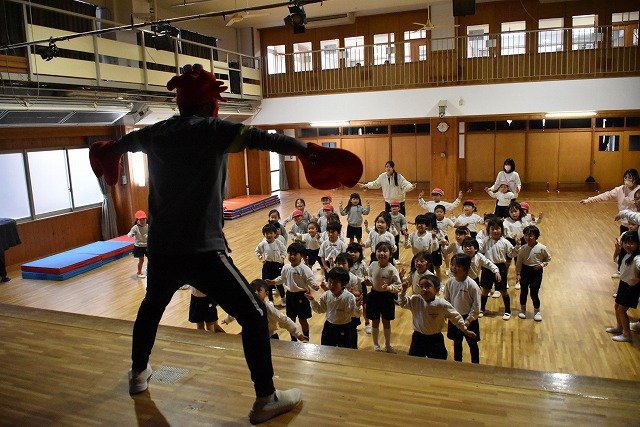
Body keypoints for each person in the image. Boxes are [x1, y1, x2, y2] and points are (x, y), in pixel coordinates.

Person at [88, 63, 362, 424]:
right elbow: (266, 139)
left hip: (162, 248)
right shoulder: (212, 130)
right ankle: (266, 397)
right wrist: (307, 151)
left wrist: (106, 154)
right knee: (254, 314)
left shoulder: (156, 132)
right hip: (202, 249)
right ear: (209, 105)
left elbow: (114, 147)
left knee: (151, 307)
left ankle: (138, 373)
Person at [398, 274, 476, 360]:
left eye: (427, 286)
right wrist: (403, 291)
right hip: (418, 338)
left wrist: (465, 330)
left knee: (439, 362)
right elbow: (402, 303)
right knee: (415, 362)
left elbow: (455, 317)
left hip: (435, 339)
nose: (423, 289)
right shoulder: (415, 300)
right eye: (421, 286)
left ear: (437, 290)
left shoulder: (441, 304)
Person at [581, 169, 639, 278]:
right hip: (625, 225)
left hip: (637, 226)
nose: (627, 180)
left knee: (636, 250)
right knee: (623, 247)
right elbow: (606, 195)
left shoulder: (638, 191)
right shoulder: (620, 190)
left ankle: (634, 274)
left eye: (630, 178)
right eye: (625, 177)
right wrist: (589, 200)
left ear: (635, 179)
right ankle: (621, 270)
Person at [222, 279, 308, 342]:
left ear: (266, 294)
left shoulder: (269, 308)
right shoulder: (246, 304)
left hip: (270, 337)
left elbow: (285, 320)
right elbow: (237, 312)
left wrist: (298, 334)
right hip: (253, 335)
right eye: (253, 290)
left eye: (259, 290)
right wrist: (227, 320)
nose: (255, 293)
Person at [267, 242, 318, 342]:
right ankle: (293, 339)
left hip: (302, 296)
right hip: (290, 296)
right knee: (291, 319)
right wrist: (273, 281)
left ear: (301, 255)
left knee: (303, 320)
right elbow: (282, 278)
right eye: (290, 254)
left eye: (295, 254)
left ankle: (306, 338)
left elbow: (310, 280)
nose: (292, 256)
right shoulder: (286, 267)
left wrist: (314, 286)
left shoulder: (305, 269)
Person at [306, 267, 362, 348]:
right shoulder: (326, 295)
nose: (332, 285)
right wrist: (312, 300)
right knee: (326, 349)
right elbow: (320, 309)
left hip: (345, 327)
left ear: (343, 285)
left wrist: (357, 306)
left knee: (345, 350)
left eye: (335, 283)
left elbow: (355, 314)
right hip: (329, 326)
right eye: (330, 281)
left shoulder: (349, 297)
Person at [444, 254, 481, 363]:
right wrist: (447, 314)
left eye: (458, 266)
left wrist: (469, 320)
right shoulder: (450, 282)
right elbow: (447, 300)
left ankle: (475, 365)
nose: (453, 268)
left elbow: (476, 306)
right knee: (457, 343)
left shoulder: (472, 285)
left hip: (469, 320)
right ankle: (458, 364)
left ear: (466, 268)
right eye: (452, 265)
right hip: (455, 317)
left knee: (472, 344)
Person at [366, 241, 402, 353]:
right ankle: (376, 345)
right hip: (374, 296)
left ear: (390, 254)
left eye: (385, 251)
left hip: (387, 297)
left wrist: (389, 288)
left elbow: (398, 285)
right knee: (375, 321)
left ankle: (387, 345)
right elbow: (370, 277)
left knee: (386, 322)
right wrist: (368, 282)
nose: (382, 253)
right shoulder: (372, 265)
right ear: (375, 252)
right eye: (379, 251)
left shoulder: (392, 269)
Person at [605, 231, 640, 342]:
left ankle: (626, 334)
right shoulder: (627, 254)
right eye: (625, 242)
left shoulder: (637, 257)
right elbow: (615, 260)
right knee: (617, 307)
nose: (628, 245)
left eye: (631, 243)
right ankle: (619, 327)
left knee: (621, 310)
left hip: (631, 288)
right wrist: (617, 249)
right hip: (623, 284)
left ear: (638, 244)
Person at [478, 219, 517, 320]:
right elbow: (479, 250)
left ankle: (507, 311)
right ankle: (482, 309)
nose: (495, 231)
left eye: (497, 228)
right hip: (487, 267)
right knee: (485, 290)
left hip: (500, 267)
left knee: (503, 290)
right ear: (489, 230)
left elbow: (511, 254)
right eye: (492, 229)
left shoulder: (505, 242)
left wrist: (517, 246)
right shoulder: (485, 240)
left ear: (502, 230)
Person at [515, 225, 551, 321]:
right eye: (526, 235)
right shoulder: (522, 248)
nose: (528, 238)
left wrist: (542, 265)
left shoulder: (542, 248)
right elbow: (519, 262)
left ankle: (537, 311)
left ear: (536, 236)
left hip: (536, 271)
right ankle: (523, 309)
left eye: (530, 235)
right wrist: (518, 274)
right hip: (525, 271)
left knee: (534, 292)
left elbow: (548, 258)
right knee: (523, 292)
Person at [462, 238, 500, 318]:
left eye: (470, 246)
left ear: (476, 249)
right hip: (462, 281)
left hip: (474, 281)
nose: (467, 248)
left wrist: (496, 271)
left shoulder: (479, 257)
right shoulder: (460, 257)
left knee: (475, 297)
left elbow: (488, 263)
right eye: (465, 246)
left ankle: (475, 311)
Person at [334, 252, 364, 349]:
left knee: (351, 331)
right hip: (338, 308)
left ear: (349, 265)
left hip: (351, 309)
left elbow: (359, 292)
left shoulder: (353, 278)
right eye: (338, 263)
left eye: (343, 263)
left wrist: (354, 292)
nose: (340, 266)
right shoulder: (334, 277)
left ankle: (353, 349)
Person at [256, 223, 287, 306]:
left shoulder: (278, 243)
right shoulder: (262, 244)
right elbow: (257, 251)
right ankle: (270, 300)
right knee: (267, 283)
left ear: (275, 233)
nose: (269, 235)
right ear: (264, 234)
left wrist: (282, 258)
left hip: (277, 265)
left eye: (270, 233)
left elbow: (284, 250)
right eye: (267, 233)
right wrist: (261, 258)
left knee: (279, 283)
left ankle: (283, 298)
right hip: (267, 266)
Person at [347, 242, 371, 334]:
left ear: (360, 253)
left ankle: (367, 323)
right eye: (350, 252)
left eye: (355, 252)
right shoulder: (346, 264)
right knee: (351, 305)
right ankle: (354, 323)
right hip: (349, 288)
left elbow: (367, 274)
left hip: (361, 287)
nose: (353, 254)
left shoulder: (362, 264)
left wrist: (366, 278)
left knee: (364, 305)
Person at [128, 210, 149, 279]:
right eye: (140, 220)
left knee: (150, 259)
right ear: (137, 220)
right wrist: (131, 234)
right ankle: (139, 272)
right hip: (139, 246)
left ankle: (148, 270)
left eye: (144, 219)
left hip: (147, 245)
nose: (142, 221)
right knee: (141, 260)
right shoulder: (135, 227)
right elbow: (130, 233)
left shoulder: (148, 226)